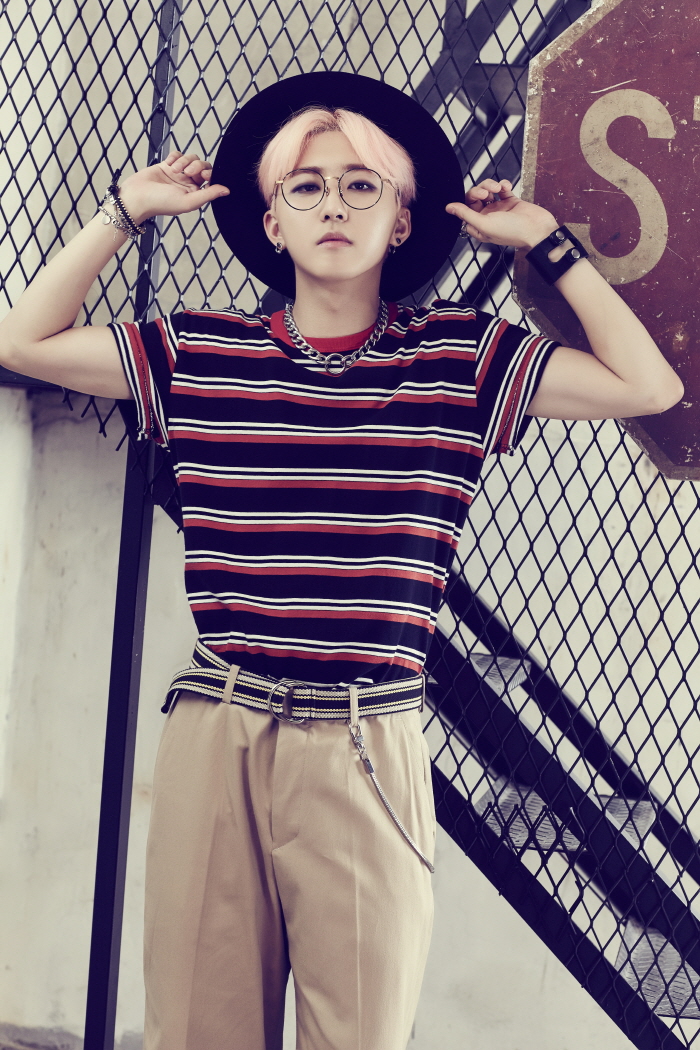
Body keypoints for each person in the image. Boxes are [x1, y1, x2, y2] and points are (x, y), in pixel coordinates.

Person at [0, 71, 682, 1050]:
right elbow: (23, 341)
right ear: (270, 221)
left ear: (401, 221)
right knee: (195, 1031)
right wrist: (124, 213)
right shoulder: (200, 355)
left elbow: (647, 385)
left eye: (362, 185)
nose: (332, 205)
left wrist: (544, 243)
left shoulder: (458, 359)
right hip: (219, 729)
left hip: (367, 737)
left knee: (358, 1033)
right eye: (306, 186)